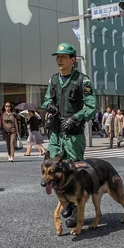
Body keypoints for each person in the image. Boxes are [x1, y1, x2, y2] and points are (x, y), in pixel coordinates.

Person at [41, 42, 97, 229]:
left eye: (63, 57)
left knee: (74, 170)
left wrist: (76, 118)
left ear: (73, 60)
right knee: (54, 168)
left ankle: (74, 208)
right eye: (57, 56)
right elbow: (47, 98)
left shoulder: (82, 80)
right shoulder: (54, 79)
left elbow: (91, 106)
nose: (59, 59)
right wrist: (48, 105)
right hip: (56, 131)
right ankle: (67, 203)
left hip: (73, 133)